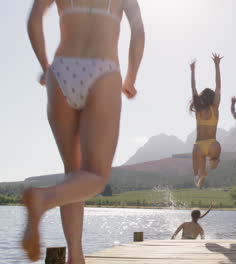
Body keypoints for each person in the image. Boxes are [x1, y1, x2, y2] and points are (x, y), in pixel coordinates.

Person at [23, 0, 145, 262]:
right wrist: (131, 77)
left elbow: (34, 18)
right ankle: (42, 199)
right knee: (96, 176)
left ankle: (75, 257)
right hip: (103, 70)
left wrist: (45, 66)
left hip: (62, 68)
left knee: (73, 174)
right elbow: (138, 30)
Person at [189, 54, 223, 188]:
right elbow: (218, 87)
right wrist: (217, 65)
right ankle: (214, 160)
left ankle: (200, 173)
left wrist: (192, 71)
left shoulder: (198, 109)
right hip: (213, 145)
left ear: (202, 97)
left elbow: (193, 89)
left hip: (198, 146)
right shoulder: (215, 108)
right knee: (213, 156)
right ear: (213, 98)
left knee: (197, 170)